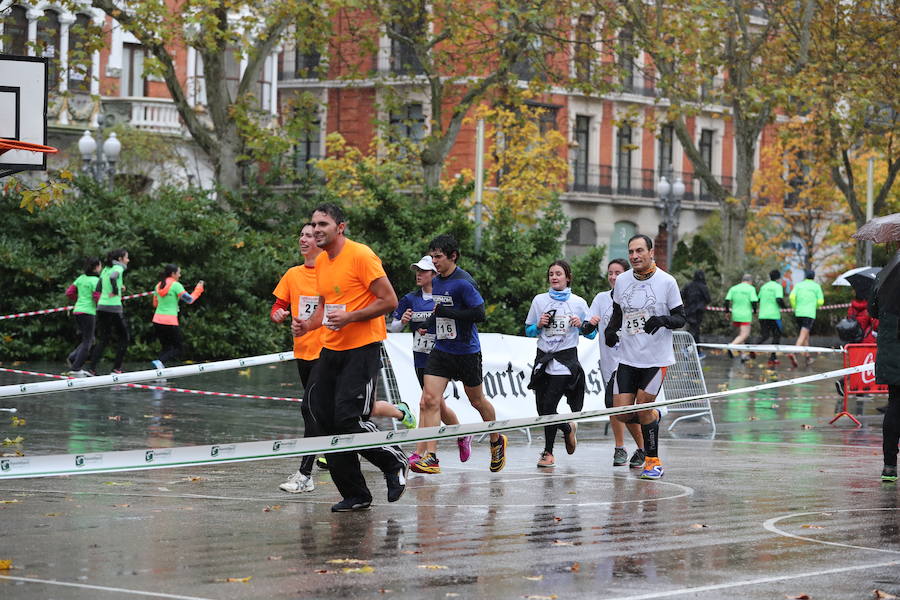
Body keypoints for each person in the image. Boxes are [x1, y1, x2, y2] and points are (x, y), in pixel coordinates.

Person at [277, 224, 415, 495]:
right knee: (317, 413)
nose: (312, 234)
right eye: (309, 229)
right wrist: (305, 326)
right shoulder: (318, 267)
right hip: (326, 350)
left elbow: (389, 301)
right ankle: (354, 494)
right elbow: (321, 310)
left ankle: (393, 460)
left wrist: (350, 317)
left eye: (320, 226)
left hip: (360, 350)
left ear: (339, 228)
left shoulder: (359, 256)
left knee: (349, 418)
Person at [411, 234, 507, 475]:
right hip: (442, 350)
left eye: (439, 257)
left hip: (466, 352)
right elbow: (440, 310)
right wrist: (430, 324)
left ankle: (496, 440)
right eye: (432, 256)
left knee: (476, 401)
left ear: (452, 256)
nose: (434, 261)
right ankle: (431, 457)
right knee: (429, 400)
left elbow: (479, 314)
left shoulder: (464, 282)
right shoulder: (438, 281)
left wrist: (448, 312)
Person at [604, 234, 686, 480]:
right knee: (621, 413)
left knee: (643, 407)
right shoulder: (622, 281)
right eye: (631, 252)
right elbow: (618, 310)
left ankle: (653, 461)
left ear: (652, 253)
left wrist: (662, 320)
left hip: (655, 359)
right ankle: (653, 416)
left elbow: (681, 318)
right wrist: (611, 329)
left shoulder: (667, 282)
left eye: (639, 251)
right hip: (628, 358)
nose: (634, 256)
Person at [388, 255, 469, 466]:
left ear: (434, 274)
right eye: (417, 270)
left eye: (424, 271)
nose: (419, 274)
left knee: (426, 402)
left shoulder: (443, 297)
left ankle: (421, 452)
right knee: (436, 406)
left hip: (442, 356)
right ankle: (462, 434)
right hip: (420, 357)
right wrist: (402, 321)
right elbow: (393, 327)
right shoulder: (410, 299)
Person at [524, 260, 590, 467]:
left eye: (559, 274)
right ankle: (567, 428)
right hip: (543, 358)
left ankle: (548, 452)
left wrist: (581, 325)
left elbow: (592, 332)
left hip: (565, 361)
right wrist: (539, 325)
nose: (554, 277)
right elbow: (528, 331)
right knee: (542, 410)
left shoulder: (578, 302)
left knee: (550, 405)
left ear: (567, 277)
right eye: (551, 274)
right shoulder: (539, 300)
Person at [585, 258, 646, 468]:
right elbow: (588, 329)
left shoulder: (635, 299)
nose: (613, 277)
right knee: (614, 407)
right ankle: (621, 447)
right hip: (609, 364)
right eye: (610, 273)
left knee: (623, 407)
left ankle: (644, 447)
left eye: (618, 273)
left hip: (631, 362)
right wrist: (588, 324)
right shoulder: (601, 299)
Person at [870, 251, 899, 481]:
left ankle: (889, 465)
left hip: (890, 350)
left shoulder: (885, 274)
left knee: (894, 405)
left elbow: (873, 310)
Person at [151, 264, 204, 369]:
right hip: (169, 321)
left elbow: (155, 304)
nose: (180, 275)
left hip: (157, 321)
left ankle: (158, 369)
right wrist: (199, 288)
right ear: (173, 274)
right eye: (179, 273)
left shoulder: (158, 286)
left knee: (166, 348)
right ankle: (159, 362)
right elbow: (189, 300)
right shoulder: (176, 285)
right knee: (178, 348)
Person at [87, 248, 130, 375]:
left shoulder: (105, 269)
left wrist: (116, 288)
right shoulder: (118, 268)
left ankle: (92, 369)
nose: (128, 260)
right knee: (124, 337)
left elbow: (99, 285)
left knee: (104, 339)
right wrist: (116, 292)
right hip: (114, 307)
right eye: (126, 257)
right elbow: (113, 277)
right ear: (120, 259)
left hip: (101, 306)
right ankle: (116, 369)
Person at [65, 257, 101, 377]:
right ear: (96, 268)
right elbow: (97, 297)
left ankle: (72, 357)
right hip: (88, 312)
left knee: (89, 339)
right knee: (89, 341)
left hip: (78, 311)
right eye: (100, 266)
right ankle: (76, 368)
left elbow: (69, 292)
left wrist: (79, 300)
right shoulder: (96, 281)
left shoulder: (80, 278)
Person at [788, 269, 824, 368]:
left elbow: (791, 297)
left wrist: (795, 306)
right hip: (809, 313)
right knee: (803, 335)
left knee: (805, 336)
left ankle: (808, 357)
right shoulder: (816, 286)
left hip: (798, 313)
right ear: (813, 277)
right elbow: (821, 301)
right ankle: (793, 353)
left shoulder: (799, 285)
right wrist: (815, 305)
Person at [724, 274, 758, 362]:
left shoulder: (734, 288)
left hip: (735, 315)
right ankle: (731, 346)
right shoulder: (751, 289)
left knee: (741, 335)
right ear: (750, 281)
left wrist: (727, 312)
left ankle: (743, 355)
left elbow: (727, 300)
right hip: (745, 315)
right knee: (745, 335)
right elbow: (754, 301)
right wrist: (754, 311)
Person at [756, 270, 787, 367]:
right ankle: (773, 357)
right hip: (774, 316)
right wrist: (784, 307)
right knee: (777, 335)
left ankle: (752, 348)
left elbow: (758, 299)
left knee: (765, 335)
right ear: (778, 278)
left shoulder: (764, 286)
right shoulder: (778, 287)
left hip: (763, 315)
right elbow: (779, 299)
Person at [680, 269, 710, 355]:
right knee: (694, 331)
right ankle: (688, 349)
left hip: (688, 311)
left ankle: (696, 351)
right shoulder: (703, 287)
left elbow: (681, 295)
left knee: (694, 330)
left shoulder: (688, 286)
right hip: (698, 312)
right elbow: (708, 299)